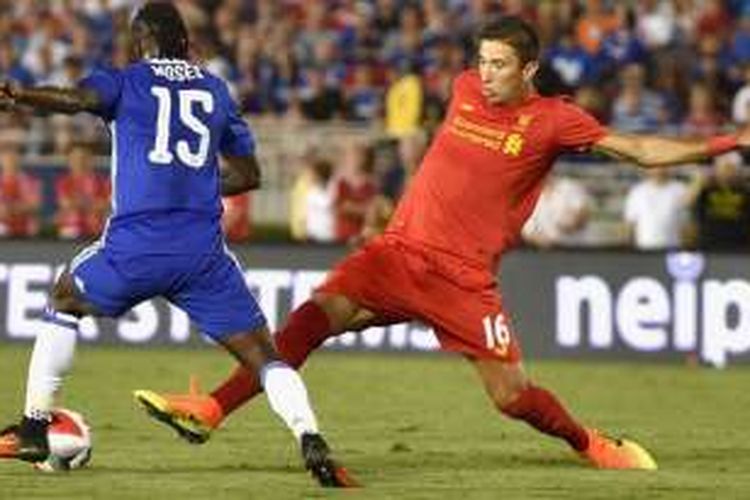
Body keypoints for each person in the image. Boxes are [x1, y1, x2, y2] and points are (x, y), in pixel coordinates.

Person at [133, 16, 750, 472]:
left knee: (512, 399)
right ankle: (209, 411)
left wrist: (727, 143)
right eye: (482, 61)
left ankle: (589, 444)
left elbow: (642, 152)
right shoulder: (461, 90)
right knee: (308, 321)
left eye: (500, 65)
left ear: (529, 69)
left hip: (462, 279)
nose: (485, 74)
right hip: (398, 253)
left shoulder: (555, 121)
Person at [0, 2, 354, 488]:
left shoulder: (124, 81)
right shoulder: (215, 89)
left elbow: (74, 99)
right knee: (264, 356)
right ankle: (309, 435)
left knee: (64, 298)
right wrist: (195, 183)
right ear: (185, 43)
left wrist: (20, 94)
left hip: (135, 247)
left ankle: (34, 428)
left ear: (138, 42)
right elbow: (249, 176)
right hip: (201, 255)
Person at [688, 151, 750, 250]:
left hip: (739, 245)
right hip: (708, 243)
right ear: (716, 169)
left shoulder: (745, 190)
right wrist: (700, 181)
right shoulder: (706, 187)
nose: (727, 172)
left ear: (738, 170)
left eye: (731, 168)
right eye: (724, 168)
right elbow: (687, 202)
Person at [55, 141, 110, 240]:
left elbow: (105, 205)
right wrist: (92, 203)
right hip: (71, 230)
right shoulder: (64, 182)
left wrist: (79, 203)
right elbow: (66, 204)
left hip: (96, 230)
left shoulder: (102, 182)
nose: (80, 162)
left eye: (84, 158)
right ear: (70, 161)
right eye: (75, 158)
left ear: (91, 160)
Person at [623, 168, 689, 250]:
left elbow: (685, 223)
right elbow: (630, 223)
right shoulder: (637, 191)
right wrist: (629, 247)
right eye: (655, 167)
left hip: (673, 247)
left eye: (663, 166)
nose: (659, 170)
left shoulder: (680, 189)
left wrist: (686, 247)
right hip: (645, 248)